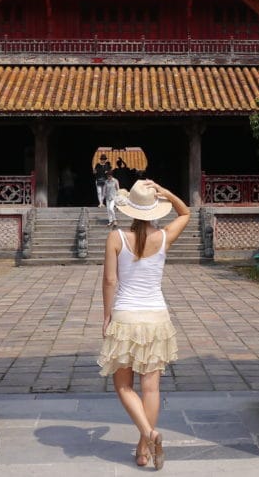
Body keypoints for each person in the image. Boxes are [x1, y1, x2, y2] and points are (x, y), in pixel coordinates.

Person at [97, 179, 190, 470]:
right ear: (154, 210)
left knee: (124, 386)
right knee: (151, 388)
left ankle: (149, 435)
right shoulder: (164, 237)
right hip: (157, 317)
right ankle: (143, 450)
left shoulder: (116, 237)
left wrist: (106, 315)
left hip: (125, 315)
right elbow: (186, 213)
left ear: (130, 210)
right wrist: (168, 193)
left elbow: (110, 280)